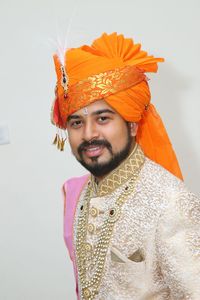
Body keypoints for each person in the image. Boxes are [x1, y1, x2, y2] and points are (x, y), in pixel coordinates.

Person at [51, 32, 200, 299]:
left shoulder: (170, 201)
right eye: (76, 123)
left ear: (132, 124)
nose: (88, 134)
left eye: (103, 118)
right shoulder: (78, 192)